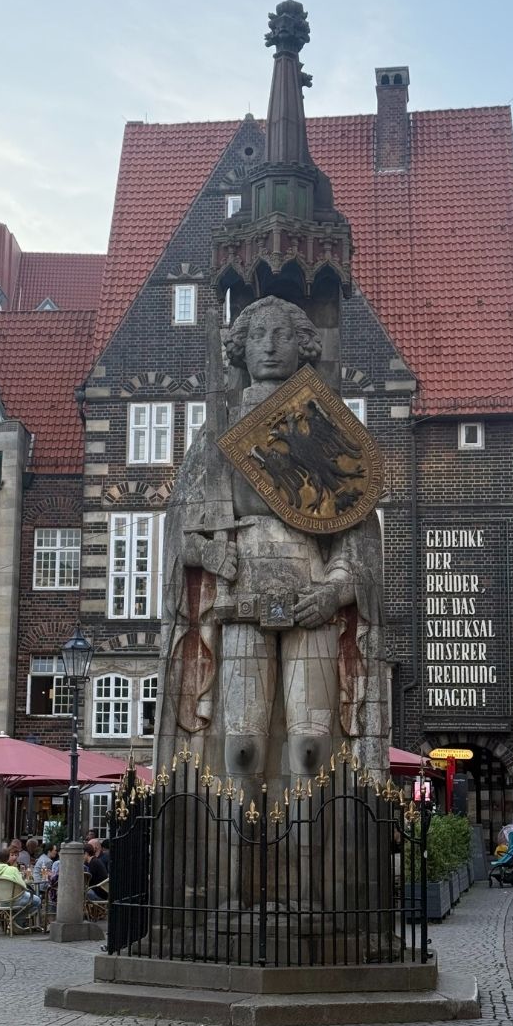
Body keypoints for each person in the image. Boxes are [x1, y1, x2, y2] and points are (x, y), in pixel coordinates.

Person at [160, 295, 385, 784]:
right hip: (241, 594)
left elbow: (357, 533)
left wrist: (335, 591)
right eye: (258, 336)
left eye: (281, 335)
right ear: (240, 347)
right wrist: (210, 553)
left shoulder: (324, 425)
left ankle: (312, 857)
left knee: (310, 748)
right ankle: (232, 856)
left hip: (313, 592)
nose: (269, 347)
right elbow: (181, 533)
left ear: (303, 345)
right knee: (240, 750)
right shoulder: (218, 434)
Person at [0, 846, 41, 930]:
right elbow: (23, 886)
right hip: (15, 900)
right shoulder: (12, 870)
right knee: (37, 901)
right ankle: (16, 921)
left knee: (27, 900)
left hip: (0, 902)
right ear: (8, 858)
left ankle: (14, 924)